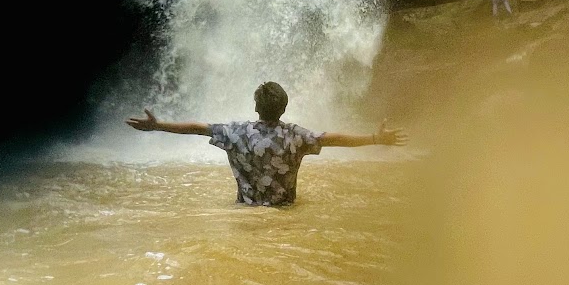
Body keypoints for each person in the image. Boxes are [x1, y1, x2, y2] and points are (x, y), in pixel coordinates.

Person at [125, 80, 405, 207]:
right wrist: (375, 138)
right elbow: (331, 138)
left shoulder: (235, 133)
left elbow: (198, 128)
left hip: (245, 218)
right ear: (284, 108)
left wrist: (158, 125)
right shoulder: (296, 137)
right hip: (286, 220)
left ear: (256, 107)